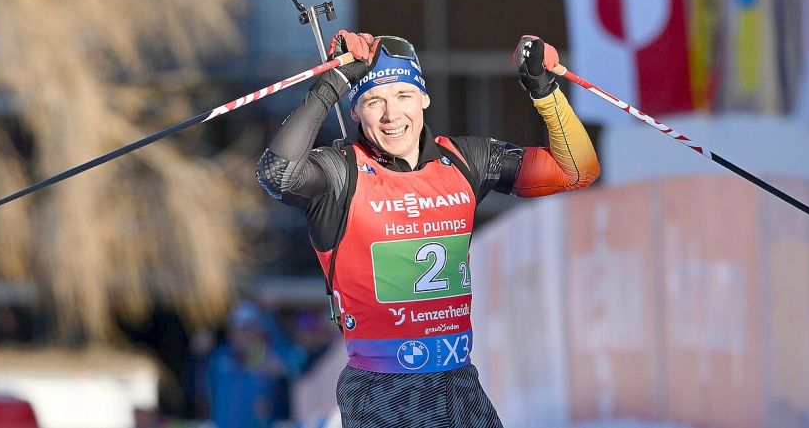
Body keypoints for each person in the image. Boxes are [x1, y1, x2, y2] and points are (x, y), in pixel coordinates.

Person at [256, 31, 600, 427]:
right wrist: (332, 85)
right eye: (373, 101)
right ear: (354, 112)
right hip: (384, 389)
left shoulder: (465, 160)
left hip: (459, 383)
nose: (391, 115)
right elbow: (277, 173)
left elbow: (576, 171)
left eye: (403, 95)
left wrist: (544, 90)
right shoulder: (341, 172)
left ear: (424, 98)